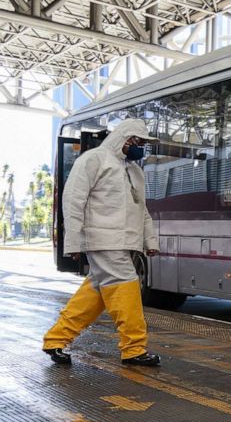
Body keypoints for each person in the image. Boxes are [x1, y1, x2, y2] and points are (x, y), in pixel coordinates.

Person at [42, 119, 162, 367]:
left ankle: (56, 339)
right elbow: (73, 201)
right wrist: (73, 242)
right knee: (127, 284)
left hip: (123, 242)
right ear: (124, 139)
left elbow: (143, 210)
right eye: (138, 142)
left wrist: (149, 240)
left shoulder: (134, 171)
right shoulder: (93, 159)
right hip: (103, 240)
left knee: (96, 290)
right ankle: (134, 348)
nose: (140, 147)